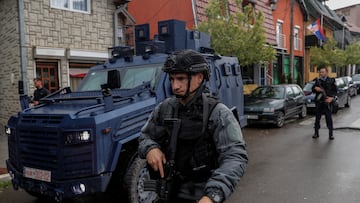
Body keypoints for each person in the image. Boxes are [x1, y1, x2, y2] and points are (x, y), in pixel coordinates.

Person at [138, 50, 248, 203]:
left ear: (199, 78)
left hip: (202, 193)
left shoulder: (217, 113)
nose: (175, 86)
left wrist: (213, 195)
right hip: (168, 191)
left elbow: (235, 157)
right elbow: (145, 136)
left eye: (181, 79)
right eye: (172, 79)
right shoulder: (164, 108)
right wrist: (150, 148)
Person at [312, 67, 337, 140]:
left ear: (326, 72)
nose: (321, 73)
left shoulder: (332, 80)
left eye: (323, 72)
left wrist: (331, 98)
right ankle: (316, 133)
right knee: (317, 119)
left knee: (329, 119)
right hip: (319, 103)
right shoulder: (318, 81)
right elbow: (313, 89)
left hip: (327, 102)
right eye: (320, 72)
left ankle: (331, 134)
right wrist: (315, 88)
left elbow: (335, 91)